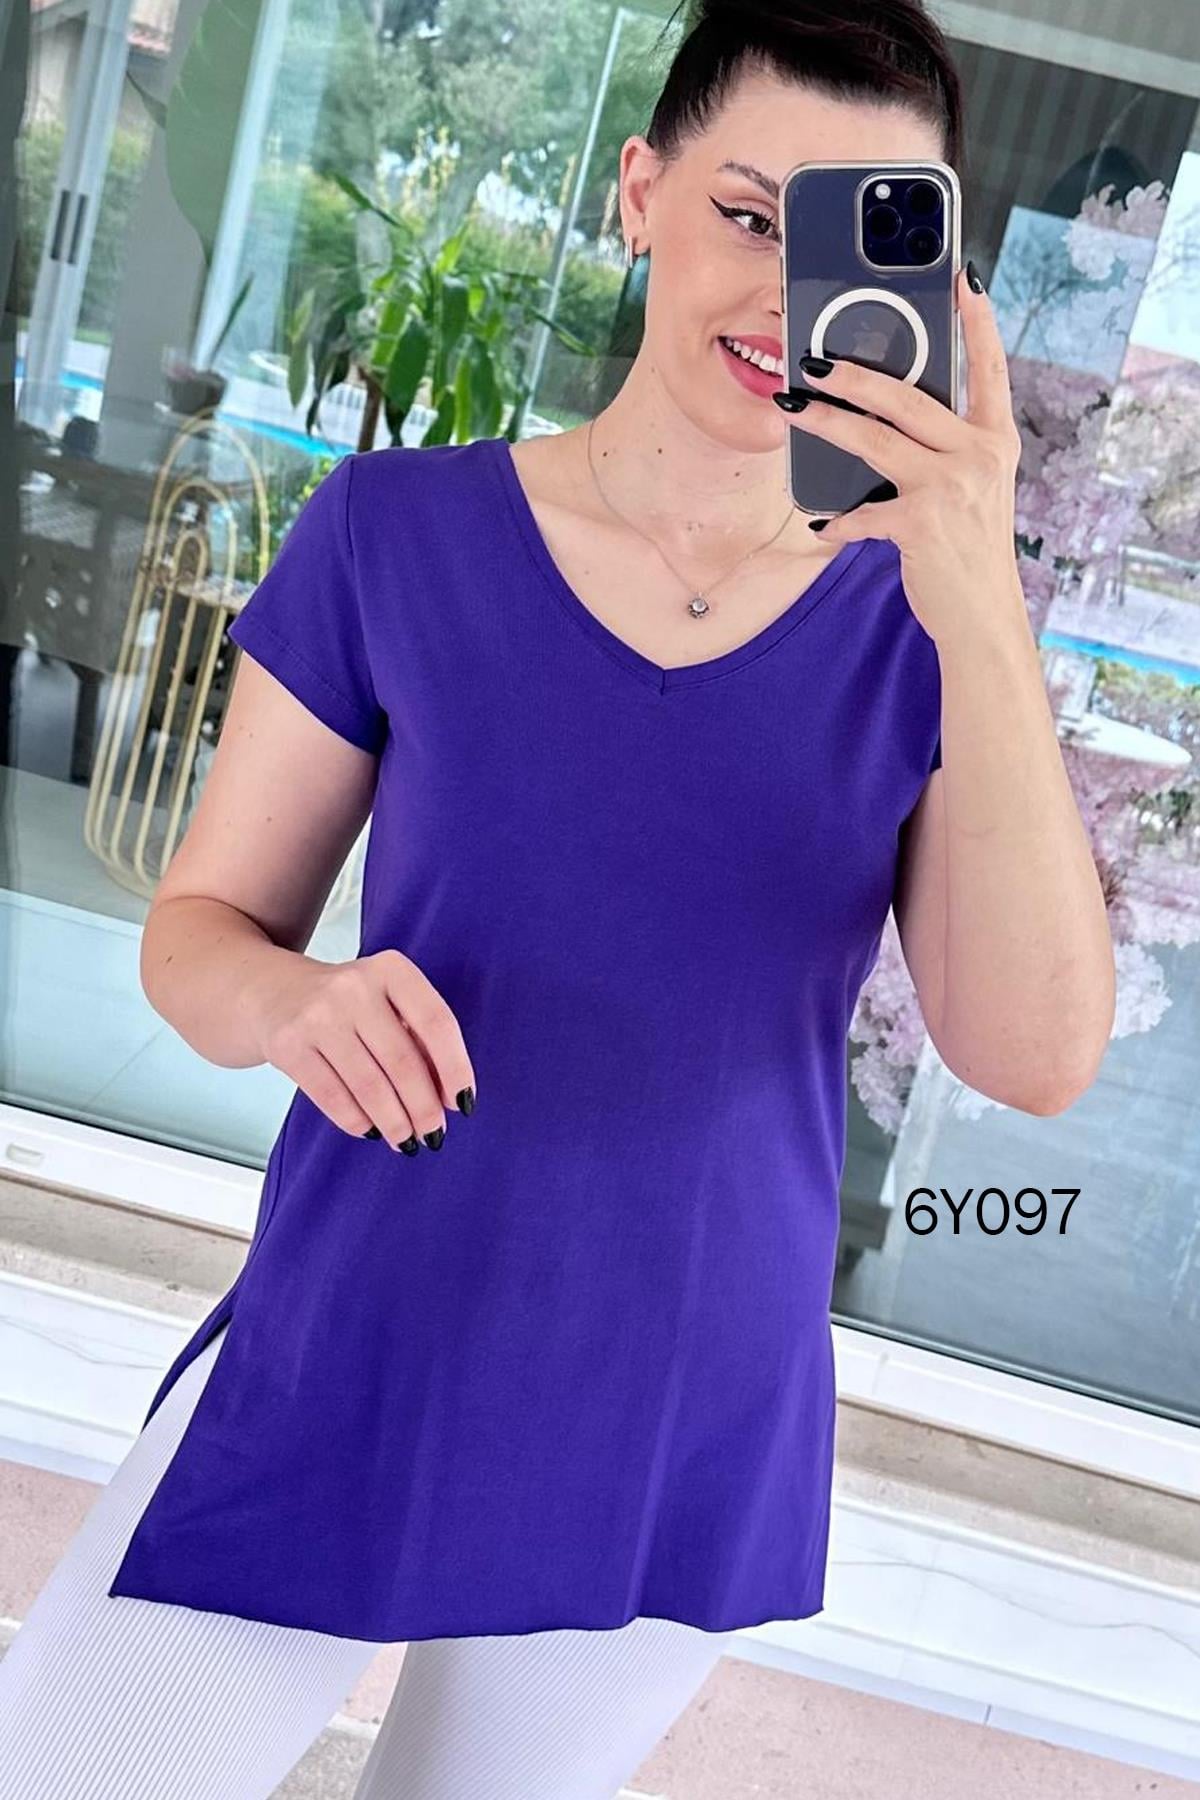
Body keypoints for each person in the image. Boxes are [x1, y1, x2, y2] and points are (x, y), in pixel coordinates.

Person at [0, 0, 1115, 1793]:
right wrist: (298, 1004)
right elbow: (201, 933)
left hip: (685, 1392)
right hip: (363, 1322)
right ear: (640, 194)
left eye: (854, 245)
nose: (788, 296)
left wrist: (977, 588)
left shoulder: (929, 635)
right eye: (748, 214)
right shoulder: (394, 531)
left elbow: (1036, 1055)